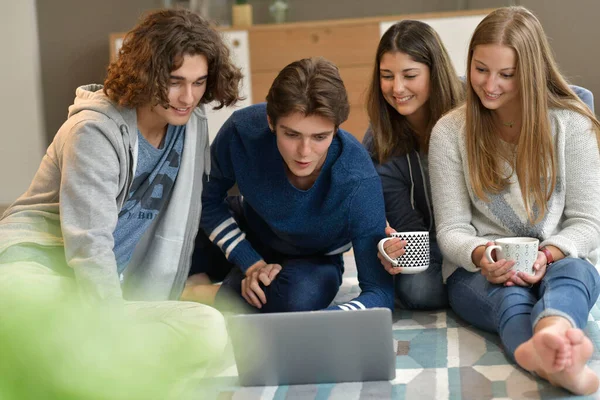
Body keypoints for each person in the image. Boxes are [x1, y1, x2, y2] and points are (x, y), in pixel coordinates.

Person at [0, 8, 242, 382]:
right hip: (36, 271)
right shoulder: (93, 131)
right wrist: (112, 329)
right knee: (37, 314)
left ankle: (73, 362)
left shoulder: (190, 126)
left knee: (208, 327)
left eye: (198, 82)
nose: (187, 96)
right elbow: (90, 245)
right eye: (175, 81)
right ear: (146, 74)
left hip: (92, 296)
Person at [429, 6, 600, 395]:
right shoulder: (450, 132)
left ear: (533, 72)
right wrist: (482, 256)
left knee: (574, 275)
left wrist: (550, 254)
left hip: (560, 258)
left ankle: (552, 332)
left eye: (507, 74)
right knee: (511, 297)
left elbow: (588, 223)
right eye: (480, 69)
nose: (490, 85)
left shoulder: (571, 124)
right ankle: (556, 363)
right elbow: (452, 231)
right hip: (478, 271)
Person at [184, 57, 394, 313]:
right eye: (292, 134)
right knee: (172, 239)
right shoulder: (242, 131)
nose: (304, 152)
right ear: (270, 121)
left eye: (320, 137)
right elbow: (206, 199)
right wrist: (250, 262)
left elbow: (380, 291)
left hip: (314, 261)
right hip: (248, 230)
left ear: (336, 129)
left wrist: (329, 319)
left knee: (297, 300)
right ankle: (224, 283)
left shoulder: (358, 178)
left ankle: (204, 293)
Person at [362, 20, 464, 309]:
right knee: (418, 290)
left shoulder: (471, 107)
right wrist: (390, 243)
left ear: (435, 72)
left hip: (477, 233)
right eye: (386, 76)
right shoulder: (380, 138)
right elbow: (402, 226)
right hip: (429, 243)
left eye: (409, 75)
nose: (397, 88)